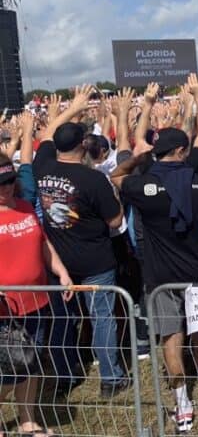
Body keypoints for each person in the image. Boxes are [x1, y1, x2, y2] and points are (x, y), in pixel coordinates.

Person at [112, 128, 198, 435]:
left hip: (160, 276)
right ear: (179, 151)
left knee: (170, 337)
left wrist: (136, 158)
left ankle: (183, 408)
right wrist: (195, 233)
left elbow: (115, 177)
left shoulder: (143, 183)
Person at [32, 85, 130, 398]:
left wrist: (72, 107)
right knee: (102, 318)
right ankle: (111, 378)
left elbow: (47, 131)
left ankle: (65, 375)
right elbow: (115, 221)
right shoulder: (93, 179)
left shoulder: (42, 166)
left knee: (62, 320)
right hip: (94, 261)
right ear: (83, 146)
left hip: (56, 259)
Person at [0, 152, 73, 437]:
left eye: (9, 181)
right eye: (0, 184)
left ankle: (27, 420)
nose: (5, 188)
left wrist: (62, 272)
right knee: (11, 369)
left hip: (37, 302)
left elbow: (43, 245)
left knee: (30, 365)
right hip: (6, 310)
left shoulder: (25, 207)